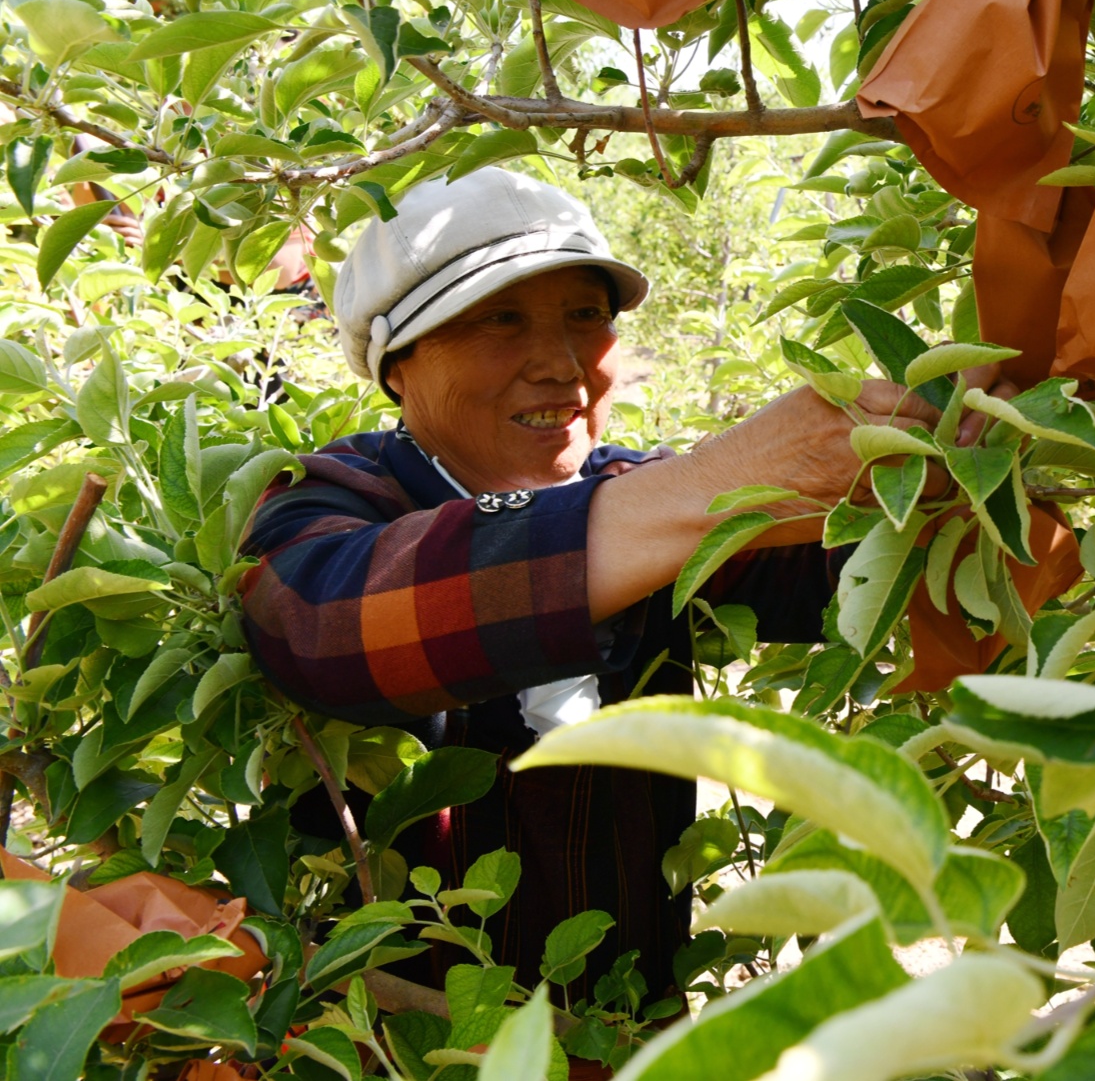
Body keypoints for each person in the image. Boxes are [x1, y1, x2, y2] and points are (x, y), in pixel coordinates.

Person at [237, 168, 976, 997]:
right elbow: (320, 624)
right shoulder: (337, 494)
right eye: (497, 320)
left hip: (625, 1023)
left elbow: (878, 578)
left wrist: (968, 469)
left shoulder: (641, 499)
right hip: (395, 1036)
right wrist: (721, 477)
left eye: (586, 316)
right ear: (395, 363)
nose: (559, 363)